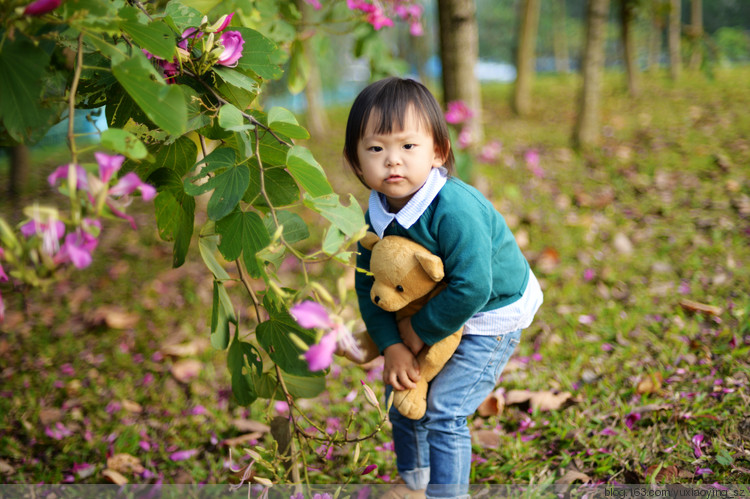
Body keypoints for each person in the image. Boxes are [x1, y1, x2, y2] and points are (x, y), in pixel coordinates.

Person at [345, 77, 543, 499]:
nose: (392, 161)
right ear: (356, 162)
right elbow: (371, 289)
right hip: (432, 308)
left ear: (439, 151)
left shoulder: (454, 208)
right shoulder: (374, 219)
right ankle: (414, 482)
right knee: (403, 392)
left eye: (408, 146)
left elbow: (473, 286)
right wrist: (391, 344)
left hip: (491, 311)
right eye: (376, 149)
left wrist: (417, 332)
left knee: (444, 408)